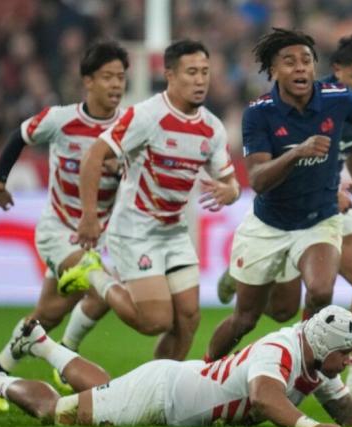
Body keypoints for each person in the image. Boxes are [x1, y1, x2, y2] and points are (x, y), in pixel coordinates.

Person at [217, 33, 352, 412]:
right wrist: (301, 156)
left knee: (338, 287)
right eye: (290, 61)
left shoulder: (348, 103)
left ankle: (340, 376)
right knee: (262, 315)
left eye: (306, 60)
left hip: (322, 213)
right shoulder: (261, 112)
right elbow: (260, 179)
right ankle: (206, 369)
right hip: (276, 217)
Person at [57, 39, 240, 361]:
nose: (200, 80)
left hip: (174, 233)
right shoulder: (146, 115)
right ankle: (95, 276)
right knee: (155, 321)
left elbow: (231, 182)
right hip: (134, 230)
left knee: (188, 319)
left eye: (205, 72)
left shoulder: (212, 128)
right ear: (169, 74)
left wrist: (231, 191)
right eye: (192, 72)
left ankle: (159, 391)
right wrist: (88, 216)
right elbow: (93, 156)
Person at [0, 41, 129, 412]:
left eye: (121, 78)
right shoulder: (61, 119)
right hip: (57, 230)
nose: (116, 85)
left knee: (47, 315)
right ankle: (67, 356)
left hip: (94, 236)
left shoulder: (129, 127)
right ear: (88, 81)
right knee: (100, 280)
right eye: (108, 77)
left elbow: (138, 173)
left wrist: (121, 169)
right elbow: (20, 136)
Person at [0, 307, 352, 427]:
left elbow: (349, 413)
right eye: (345, 353)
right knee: (58, 414)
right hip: (164, 394)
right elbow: (264, 398)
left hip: (177, 387)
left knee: (106, 394)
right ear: (324, 345)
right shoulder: (279, 350)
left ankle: (39, 343)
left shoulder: (319, 362)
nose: (347, 362)